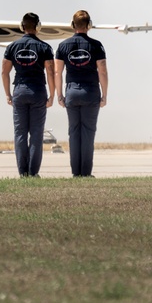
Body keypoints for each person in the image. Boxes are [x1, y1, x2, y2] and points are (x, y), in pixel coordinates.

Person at [1, 12, 55, 177]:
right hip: (38, 91)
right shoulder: (45, 47)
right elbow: (51, 72)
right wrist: (52, 95)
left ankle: (22, 172)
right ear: (38, 27)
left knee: (20, 133)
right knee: (36, 133)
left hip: (19, 91)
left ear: (22, 26)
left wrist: (7, 94)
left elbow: (4, 72)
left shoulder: (11, 47)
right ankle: (33, 172)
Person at [55, 9, 107, 177]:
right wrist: (104, 94)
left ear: (72, 25)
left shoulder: (62, 46)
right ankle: (86, 172)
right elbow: (103, 71)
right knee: (88, 132)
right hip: (91, 92)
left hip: (71, 92)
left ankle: (75, 173)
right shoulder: (96, 45)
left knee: (74, 132)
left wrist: (59, 95)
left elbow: (57, 73)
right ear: (89, 26)